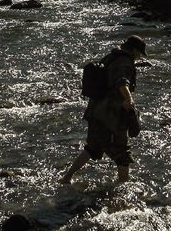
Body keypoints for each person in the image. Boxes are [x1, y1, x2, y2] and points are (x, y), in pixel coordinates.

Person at [59, 35, 147, 185]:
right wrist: (129, 100)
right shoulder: (124, 62)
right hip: (111, 115)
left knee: (92, 147)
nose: (139, 58)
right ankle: (123, 184)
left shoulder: (110, 57)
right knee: (122, 151)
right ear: (134, 50)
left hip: (95, 111)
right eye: (139, 54)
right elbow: (122, 83)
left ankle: (67, 178)